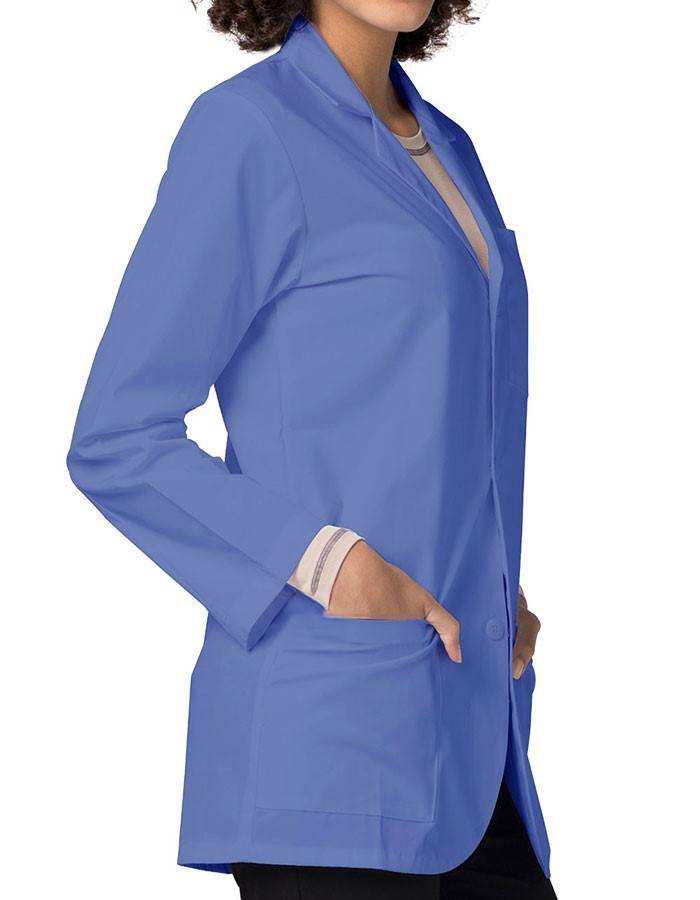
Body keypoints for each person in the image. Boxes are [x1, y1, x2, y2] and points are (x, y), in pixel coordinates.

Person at [67, 2, 555, 896]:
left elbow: (419, 410)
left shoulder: (449, 145)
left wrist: (493, 588)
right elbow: (117, 437)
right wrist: (331, 566)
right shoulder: (247, 130)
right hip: (329, 749)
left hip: (474, 750)